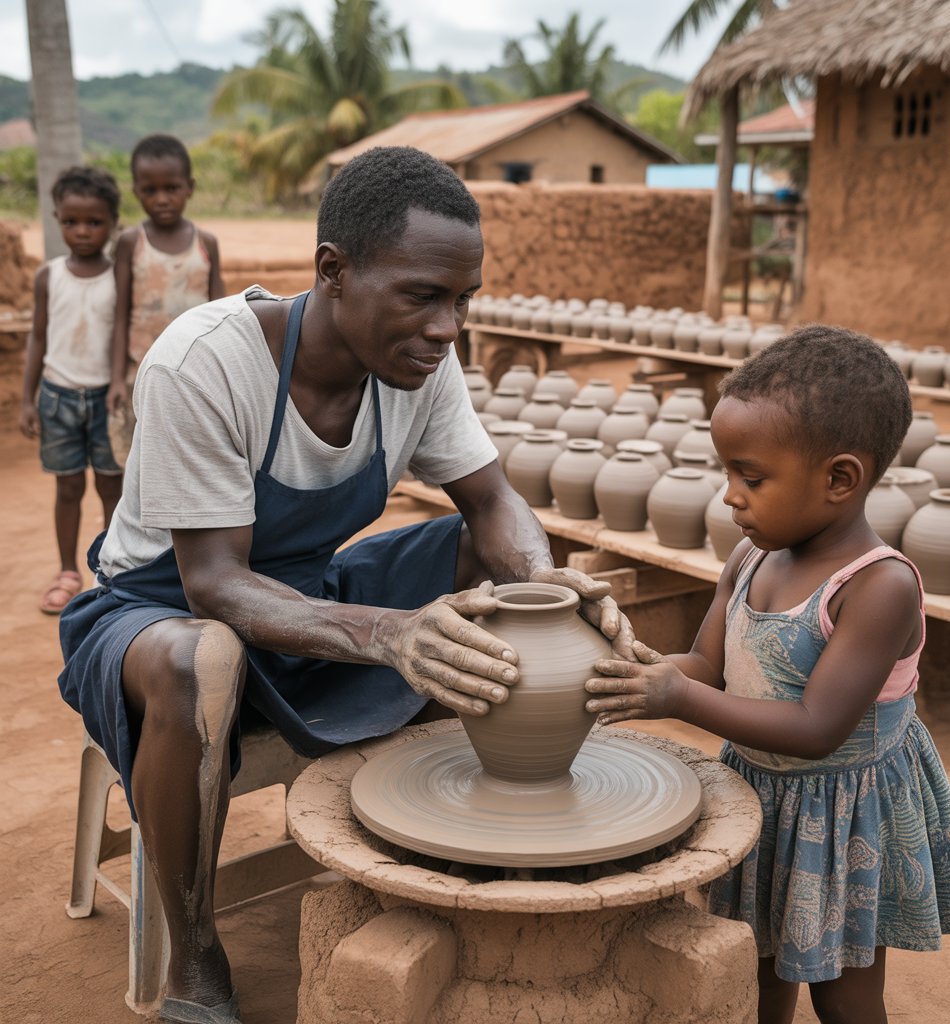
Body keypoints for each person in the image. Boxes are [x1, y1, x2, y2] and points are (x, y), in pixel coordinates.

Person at [58, 146, 630, 1024]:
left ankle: (470, 837)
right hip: (156, 608)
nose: (448, 327)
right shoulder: (205, 363)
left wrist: (553, 589)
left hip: (307, 593)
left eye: (462, 300)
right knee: (197, 659)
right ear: (334, 271)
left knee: (489, 572)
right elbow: (213, 585)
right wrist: (391, 634)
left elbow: (493, 500)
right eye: (422, 294)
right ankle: (195, 944)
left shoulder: (420, 368)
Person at [585, 326, 950, 1024]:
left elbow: (816, 729)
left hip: (843, 814)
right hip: (757, 797)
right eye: (727, 474)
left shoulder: (878, 587)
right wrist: (631, 670)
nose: (730, 497)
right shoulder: (751, 558)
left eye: (752, 477)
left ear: (840, 479)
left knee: (844, 992)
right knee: (756, 967)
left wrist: (674, 696)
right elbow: (707, 666)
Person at [20, 166, 124, 614]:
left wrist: (119, 383)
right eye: (71, 221)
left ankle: (116, 571)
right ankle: (67, 571)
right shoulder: (49, 276)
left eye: (94, 222)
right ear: (57, 218)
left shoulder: (120, 276)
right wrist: (27, 398)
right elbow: (38, 338)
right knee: (67, 489)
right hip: (57, 396)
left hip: (107, 397)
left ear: (113, 223)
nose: (82, 231)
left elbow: (121, 333)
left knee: (112, 488)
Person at [107, 133, 225, 467]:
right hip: (139, 372)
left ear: (190, 187)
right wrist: (116, 379)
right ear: (136, 192)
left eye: (171, 189)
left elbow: (221, 316)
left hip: (195, 375)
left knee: (187, 461)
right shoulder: (132, 242)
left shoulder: (206, 243)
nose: (161, 199)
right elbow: (120, 314)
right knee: (138, 464)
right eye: (150, 190)